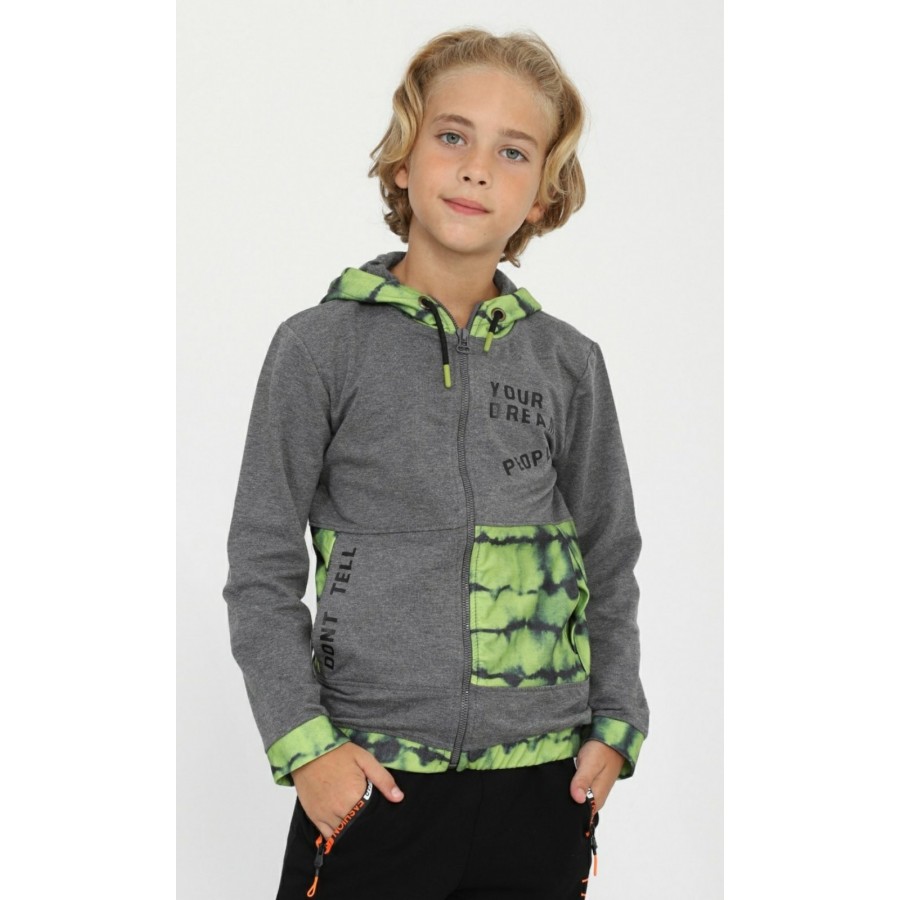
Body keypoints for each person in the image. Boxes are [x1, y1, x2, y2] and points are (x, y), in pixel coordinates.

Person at [224, 27, 649, 900]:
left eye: (513, 151)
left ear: (543, 194)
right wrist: (306, 748)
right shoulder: (318, 348)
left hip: (542, 790)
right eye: (453, 136)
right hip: (373, 783)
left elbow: (608, 554)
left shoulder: (568, 364)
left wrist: (616, 722)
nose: (477, 169)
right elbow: (260, 567)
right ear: (403, 159)